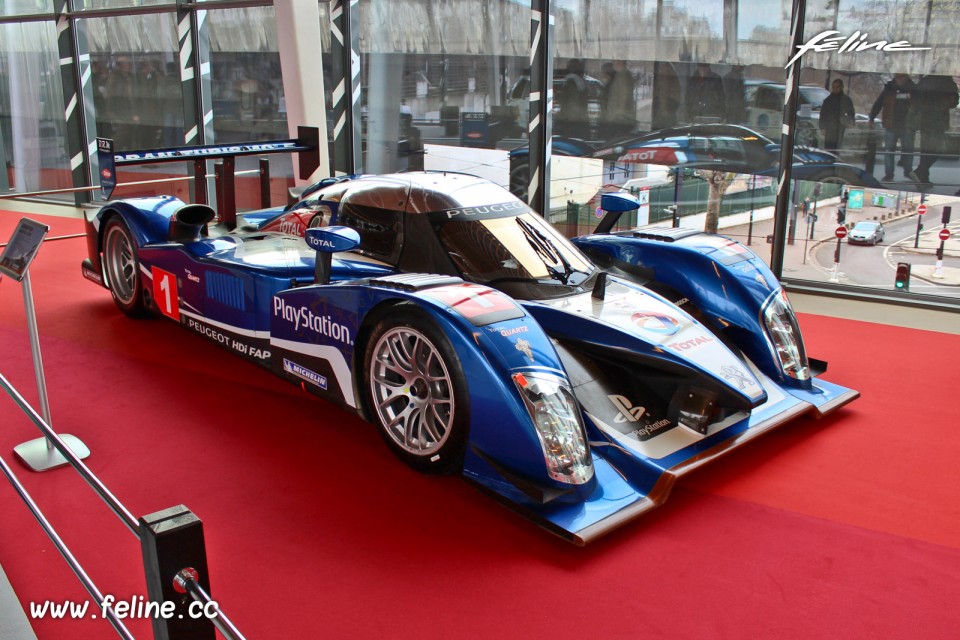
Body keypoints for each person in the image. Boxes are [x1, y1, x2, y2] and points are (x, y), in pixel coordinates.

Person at [908, 73, 959, 187]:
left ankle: (923, 177)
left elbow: (914, 97)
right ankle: (921, 172)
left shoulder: (926, 81)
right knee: (936, 150)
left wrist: (923, 106)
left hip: (925, 120)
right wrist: (941, 104)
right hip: (938, 121)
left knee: (926, 150)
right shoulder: (947, 82)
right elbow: (954, 101)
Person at [869, 73, 917, 181]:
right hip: (893, 124)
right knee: (890, 151)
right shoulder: (891, 89)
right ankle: (891, 174)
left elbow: (919, 107)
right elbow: (879, 103)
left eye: (901, 76)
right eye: (898, 76)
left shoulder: (910, 89)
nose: (899, 79)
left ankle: (907, 171)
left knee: (905, 150)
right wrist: (871, 117)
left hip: (905, 125)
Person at [600, 60, 636, 139]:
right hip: (618, 117)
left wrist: (617, 115)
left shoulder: (622, 76)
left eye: (614, 62)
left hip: (619, 118)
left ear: (619, 62)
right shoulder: (621, 75)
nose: (613, 64)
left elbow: (623, 97)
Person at [556, 59, 589, 139]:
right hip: (580, 118)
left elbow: (569, 101)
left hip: (571, 119)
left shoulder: (571, 82)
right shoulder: (582, 82)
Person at [820, 79, 855, 153]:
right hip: (830, 128)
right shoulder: (828, 100)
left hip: (842, 128)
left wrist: (850, 122)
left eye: (837, 86)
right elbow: (823, 114)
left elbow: (851, 113)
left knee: (839, 148)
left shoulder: (846, 100)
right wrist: (822, 127)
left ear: (842, 87)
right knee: (829, 149)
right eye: (834, 87)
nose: (835, 89)